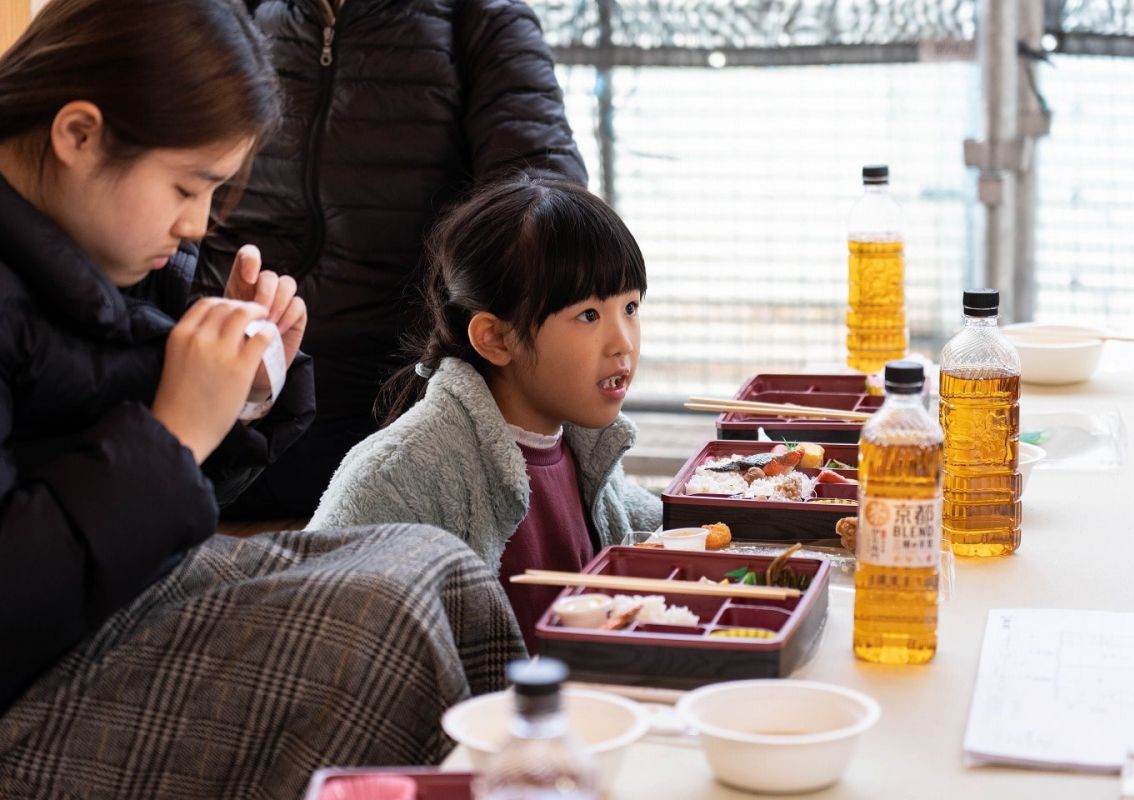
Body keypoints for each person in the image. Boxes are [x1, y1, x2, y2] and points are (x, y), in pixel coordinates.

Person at [0, 2, 522, 797]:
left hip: (102, 604)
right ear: (79, 134)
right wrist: (174, 430)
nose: (196, 226)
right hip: (27, 684)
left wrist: (241, 396)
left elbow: (129, 504)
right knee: (374, 634)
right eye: (187, 186)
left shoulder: (93, 253)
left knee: (437, 566)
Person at [195, 0, 589, 518]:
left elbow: (544, 208)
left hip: (398, 403)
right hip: (234, 395)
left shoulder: (482, 17)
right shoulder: (234, 14)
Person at [308, 176, 663, 649]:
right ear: (496, 338)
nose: (623, 342)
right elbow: (321, 633)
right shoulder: (396, 475)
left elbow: (652, 524)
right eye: (589, 315)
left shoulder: (581, 445)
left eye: (631, 307)